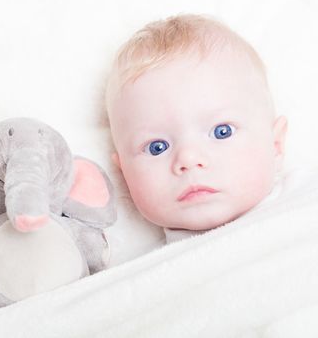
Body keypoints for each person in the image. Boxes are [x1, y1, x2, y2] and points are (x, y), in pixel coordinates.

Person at [104, 14, 288, 243]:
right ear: (124, 173)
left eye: (222, 132)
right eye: (157, 147)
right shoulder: (151, 272)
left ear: (276, 145)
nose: (188, 159)